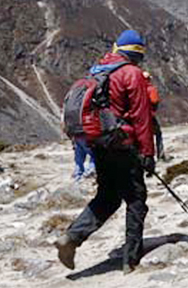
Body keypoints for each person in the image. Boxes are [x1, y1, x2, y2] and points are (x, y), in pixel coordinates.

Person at [55, 29, 155, 273]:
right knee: (136, 199)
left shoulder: (97, 70)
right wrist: (148, 152)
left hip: (98, 144)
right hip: (123, 144)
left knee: (108, 196)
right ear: (138, 54)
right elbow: (142, 117)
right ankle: (131, 260)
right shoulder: (132, 74)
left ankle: (72, 236)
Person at [142, 70, 167, 161]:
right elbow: (154, 100)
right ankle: (160, 155)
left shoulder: (137, 89)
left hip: (139, 117)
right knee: (158, 134)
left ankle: (145, 156)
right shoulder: (150, 89)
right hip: (150, 116)